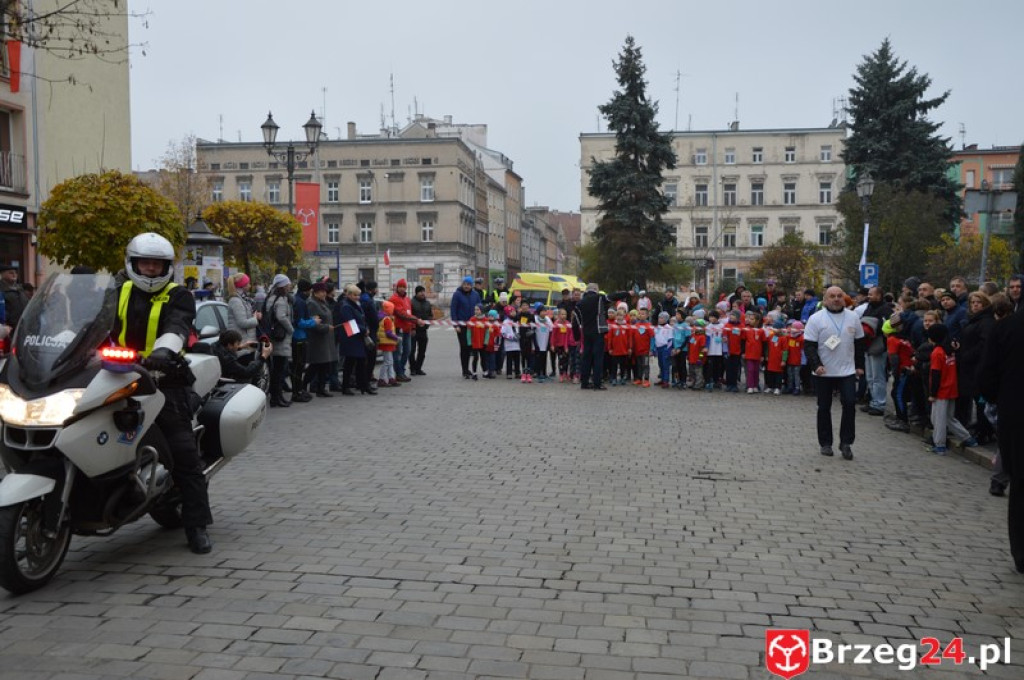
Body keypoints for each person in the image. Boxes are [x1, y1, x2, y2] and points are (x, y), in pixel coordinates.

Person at [113, 233, 213, 554]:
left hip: (164, 379)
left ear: (167, 266)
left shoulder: (178, 294)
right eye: (145, 263)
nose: (151, 269)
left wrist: (164, 351)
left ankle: (196, 526)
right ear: (133, 263)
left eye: (157, 264)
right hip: (116, 376)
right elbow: (93, 323)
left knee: (183, 452)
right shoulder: (118, 290)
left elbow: (178, 324)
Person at [979, 292, 1024, 573]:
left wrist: (1001, 400)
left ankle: (1021, 552)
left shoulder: (1007, 327)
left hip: (1016, 414)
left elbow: (987, 375)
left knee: (1020, 482)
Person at [803, 285, 866, 460]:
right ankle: (825, 443)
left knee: (850, 404)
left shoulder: (853, 317)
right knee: (824, 407)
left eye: (839, 296)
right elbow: (809, 346)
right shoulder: (816, 318)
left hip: (847, 370)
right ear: (825, 300)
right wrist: (816, 365)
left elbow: (860, 344)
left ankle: (846, 443)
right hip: (824, 371)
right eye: (832, 296)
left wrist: (860, 365)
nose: (836, 299)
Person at [925, 323, 977, 455]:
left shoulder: (937, 352)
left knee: (938, 419)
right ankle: (967, 438)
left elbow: (936, 374)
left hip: (941, 390)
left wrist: (932, 393)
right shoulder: (950, 350)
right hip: (951, 388)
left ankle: (940, 445)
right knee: (949, 417)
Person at [575, 283, 627, 390]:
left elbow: (575, 321)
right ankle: (597, 383)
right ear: (596, 289)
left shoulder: (579, 303)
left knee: (586, 358)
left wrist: (577, 337)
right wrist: (627, 293)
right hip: (598, 331)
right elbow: (612, 296)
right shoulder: (599, 298)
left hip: (586, 332)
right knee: (598, 358)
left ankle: (584, 382)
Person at [336, 283, 376, 395]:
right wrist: (364, 330)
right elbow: (350, 323)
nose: (357, 297)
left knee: (360, 363)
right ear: (348, 295)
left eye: (358, 295)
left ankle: (363, 385)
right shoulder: (346, 306)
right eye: (354, 295)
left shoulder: (355, 304)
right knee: (350, 363)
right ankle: (347, 387)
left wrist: (365, 328)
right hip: (351, 338)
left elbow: (362, 319)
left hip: (358, 337)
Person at [860, 286, 893, 416]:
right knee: (870, 376)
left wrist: (872, 327)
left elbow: (886, 326)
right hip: (868, 345)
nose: (869, 296)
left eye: (871, 294)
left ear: (879, 296)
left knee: (878, 376)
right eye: (868, 294)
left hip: (878, 345)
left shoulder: (885, 309)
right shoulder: (869, 307)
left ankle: (880, 404)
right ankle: (873, 400)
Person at [264, 274, 295, 408]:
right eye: (288, 284)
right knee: (279, 370)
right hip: (281, 337)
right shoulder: (281, 299)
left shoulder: (271, 297)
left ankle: (276, 397)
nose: (290, 286)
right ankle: (277, 398)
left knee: (276, 369)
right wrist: (291, 329)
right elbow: (281, 317)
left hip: (274, 336)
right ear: (283, 286)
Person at [304, 282, 337, 398]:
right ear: (315, 292)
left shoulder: (322, 302)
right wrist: (326, 327)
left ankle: (321, 389)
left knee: (324, 365)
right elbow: (314, 323)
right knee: (315, 365)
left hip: (325, 339)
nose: (324, 294)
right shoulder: (312, 304)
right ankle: (303, 386)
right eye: (322, 292)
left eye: (324, 291)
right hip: (317, 340)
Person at [450, 276, 482, 378]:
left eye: (468, 284)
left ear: (471, 285)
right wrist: (456, 325)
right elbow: (453, 310)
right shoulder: (457, 294)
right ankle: (465, 370)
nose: (466, 286)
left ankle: (473, 370)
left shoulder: (475, 295)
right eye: (464, 284)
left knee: (473, 348)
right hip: (462, 326)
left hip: (474, 326)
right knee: (464, 348)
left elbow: (480, 308)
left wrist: (481, 320)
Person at [389, 279, 418, 382]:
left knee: (407, 351)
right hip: (398, 329)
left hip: (407, 329)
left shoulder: (407, 299)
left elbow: (409, 313)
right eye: (400, 287)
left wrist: (413, 326)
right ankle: (399, 373)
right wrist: (416, 320)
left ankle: (401, 370)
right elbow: (401, 314)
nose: (402, 289)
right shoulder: (394, 299)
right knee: (397, 352)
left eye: (404, 287)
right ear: (397, 288)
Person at [410, 285, 432, 375]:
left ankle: (418, 368)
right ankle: (412, 369)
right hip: (414, 330)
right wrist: (413, 327)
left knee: (422, 351)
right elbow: (409, 316)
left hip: (423, 330)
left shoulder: (427, 303)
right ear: (416, 293)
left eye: (423, 291)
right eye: (420, 292)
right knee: (411, 351)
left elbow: (430, 315)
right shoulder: (411, 302)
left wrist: (427, 324)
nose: (422, 293)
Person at [376, 300, 399, 387]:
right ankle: (381, 379)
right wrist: (396, 338)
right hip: (387, 343)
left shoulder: (382, 318)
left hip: (385, 342)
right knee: (387, 362)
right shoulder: (387, 319)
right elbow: (388, 333)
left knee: (390, 361)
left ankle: (391, 378)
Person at [0, 263, 30, 330]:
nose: (14, 275)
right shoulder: (1, 289)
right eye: (11, 273)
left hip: (24, 325)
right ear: (2, 274)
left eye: (16, 273)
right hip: (8, 328)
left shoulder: (20, 288)